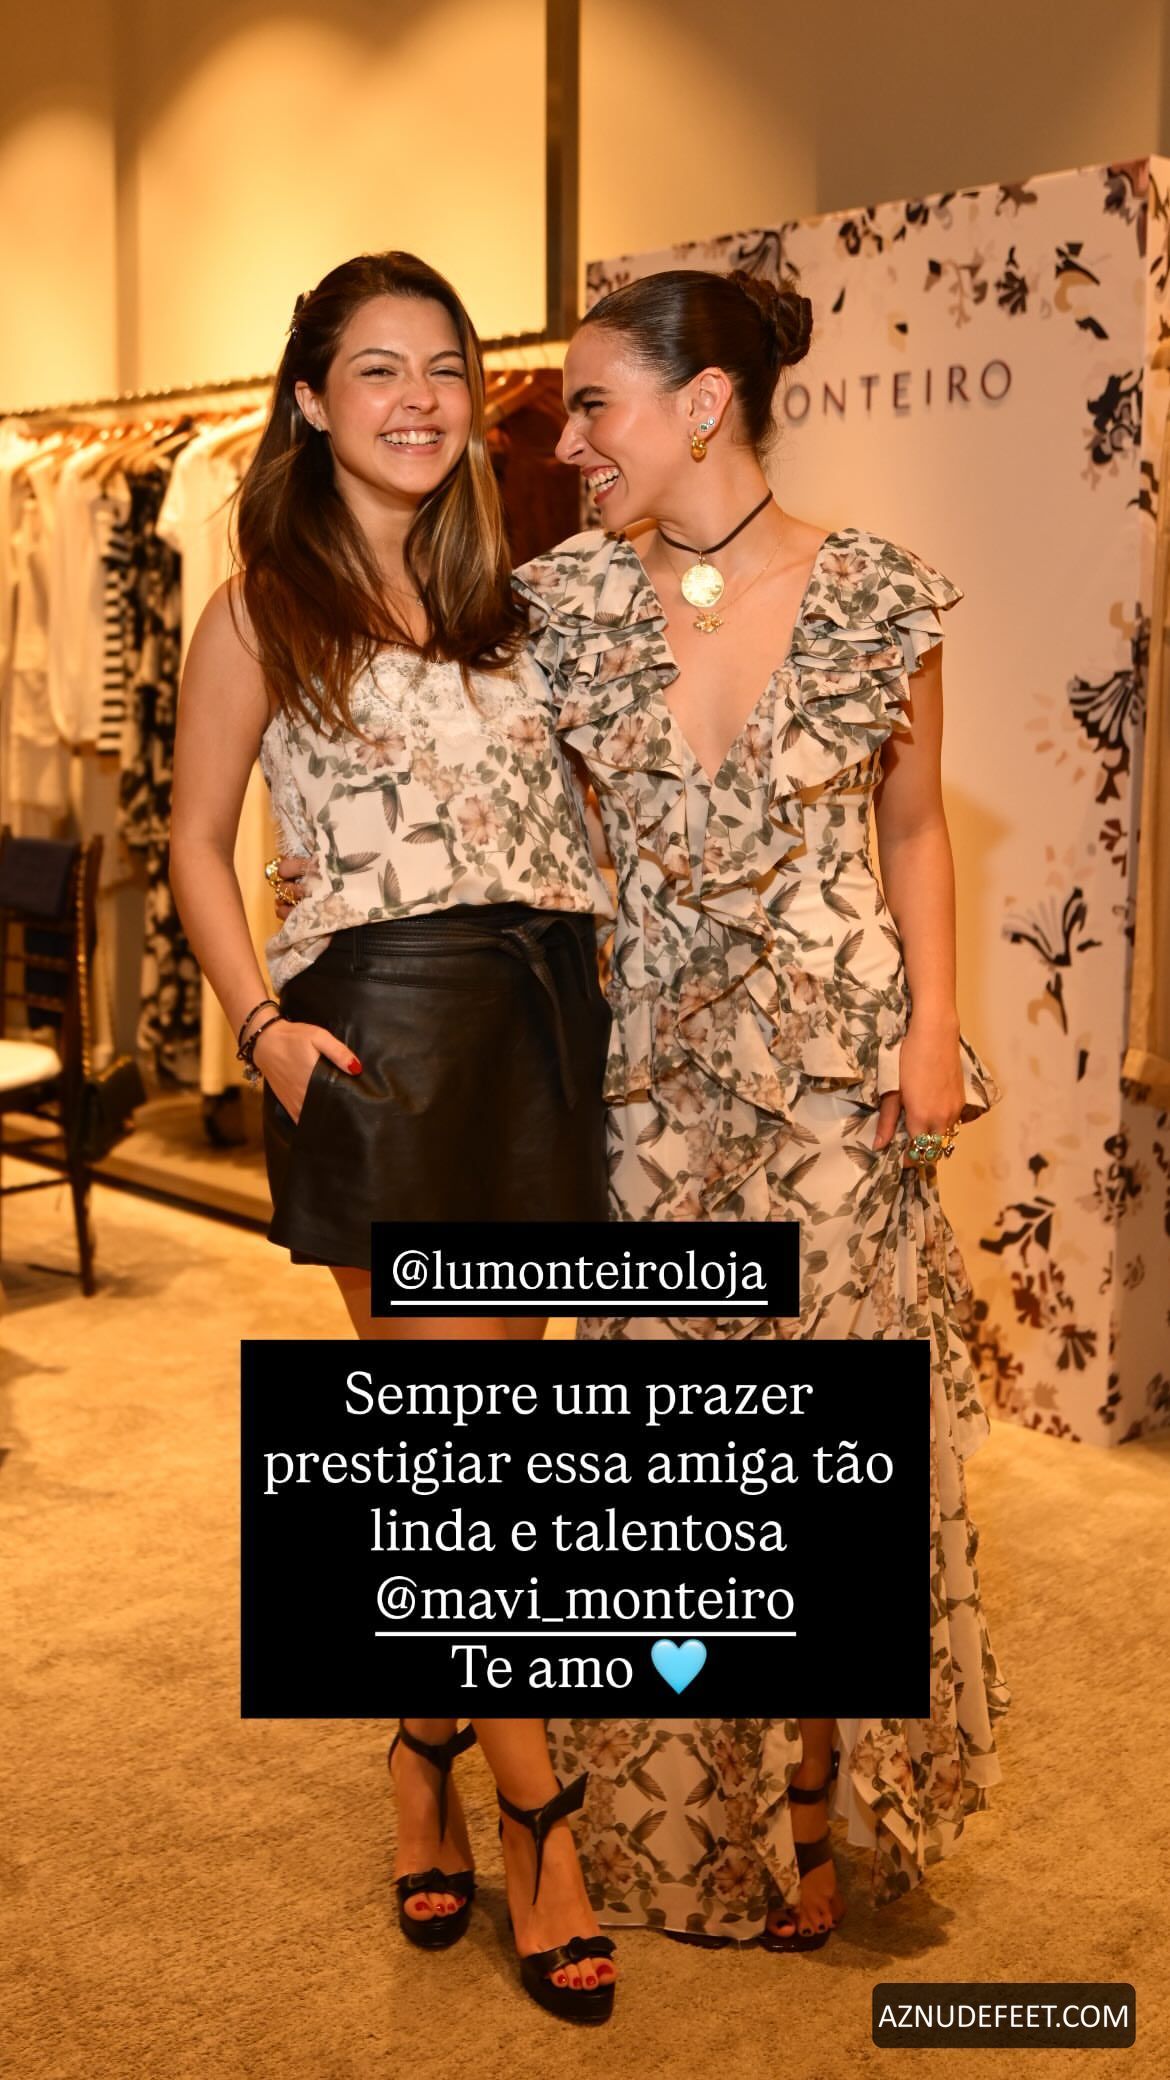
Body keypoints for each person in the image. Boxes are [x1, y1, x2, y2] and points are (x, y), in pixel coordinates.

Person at [509, 267, 1009, 1951]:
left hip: (831, 1081)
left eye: (593, 404)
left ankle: (810, 1798)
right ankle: (676, 1817)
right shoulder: (558, 605)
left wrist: (933, 1026)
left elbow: (913, 829)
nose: (567, 442)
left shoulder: (879, 595)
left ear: (702, 402)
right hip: (642, 1078)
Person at [170, 250, 616, 2021]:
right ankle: (540, 1818)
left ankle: (422, 1742)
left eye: (444, 367)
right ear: (309, 398)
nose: (420, 398)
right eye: (378, 368)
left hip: (545, 1022)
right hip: (380, 1032)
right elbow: (198, 837)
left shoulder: (522, 601)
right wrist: (260, 1029)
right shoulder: (256, 610)